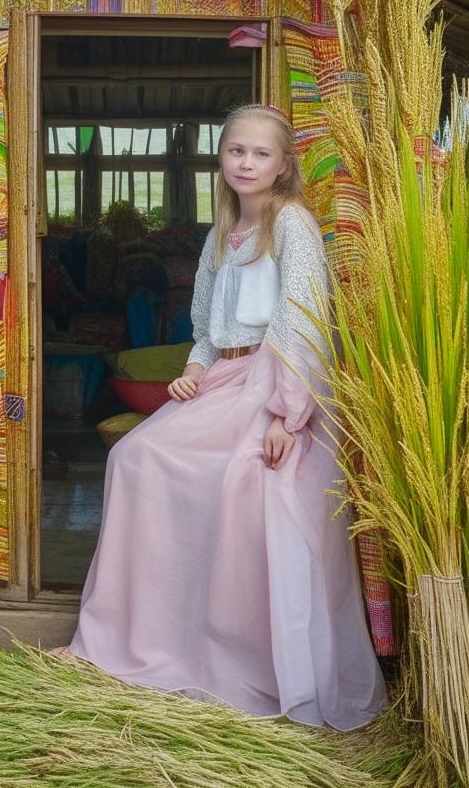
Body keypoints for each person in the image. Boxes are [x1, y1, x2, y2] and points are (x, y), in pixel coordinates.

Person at [63, 103, 387, 730]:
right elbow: (206, 322)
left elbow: (302, 319)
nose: (247, 162)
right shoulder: (221, 232)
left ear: (284, 165)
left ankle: (241, 657)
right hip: (225, 375)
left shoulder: (291, 225)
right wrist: (191, 370)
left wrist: (285, 416)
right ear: (222, 156)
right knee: (137, 457)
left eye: (261, 154)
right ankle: (152, 637)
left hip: (278, 380)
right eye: (237, 150)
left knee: (246, 487)